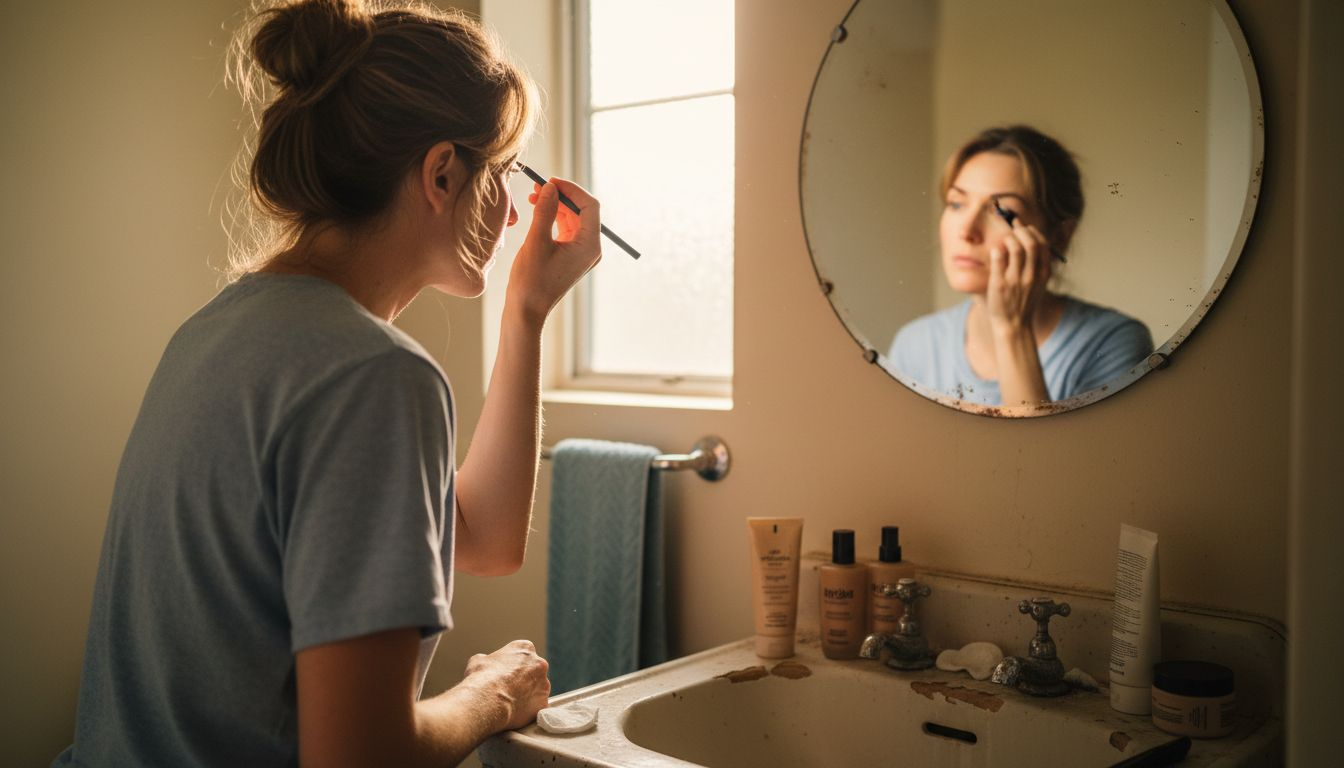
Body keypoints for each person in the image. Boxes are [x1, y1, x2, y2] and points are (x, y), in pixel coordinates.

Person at [53, 1, 601, 766]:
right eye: (502, 173)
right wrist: (493, 696)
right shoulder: (372, 375)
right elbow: (360, 757)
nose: (513, 213)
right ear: (442, 173)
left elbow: (481, 539)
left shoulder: (213, 334)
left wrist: (528, 310)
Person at [887, 125, 1152, 408]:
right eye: (956, 204)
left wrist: (1012, 328)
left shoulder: (1113, 341)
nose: (966, 231)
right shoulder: (915, 344)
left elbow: (1040, 454)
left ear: (1060, 237)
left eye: (1003, 212)